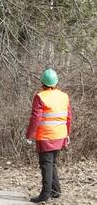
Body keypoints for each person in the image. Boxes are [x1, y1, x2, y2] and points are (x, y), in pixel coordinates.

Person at [26, 68, 72, 203]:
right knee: (52, 164)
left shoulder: (40, 97)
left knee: (46, 165)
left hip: (46, 137)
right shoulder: (64, 96)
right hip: (60, 135)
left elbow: (36, 118)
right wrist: (67, 133)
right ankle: (55, 191)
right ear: (56, 82)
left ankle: (44, 195)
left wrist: (29, 135)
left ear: (42, 82)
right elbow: (69, 117)